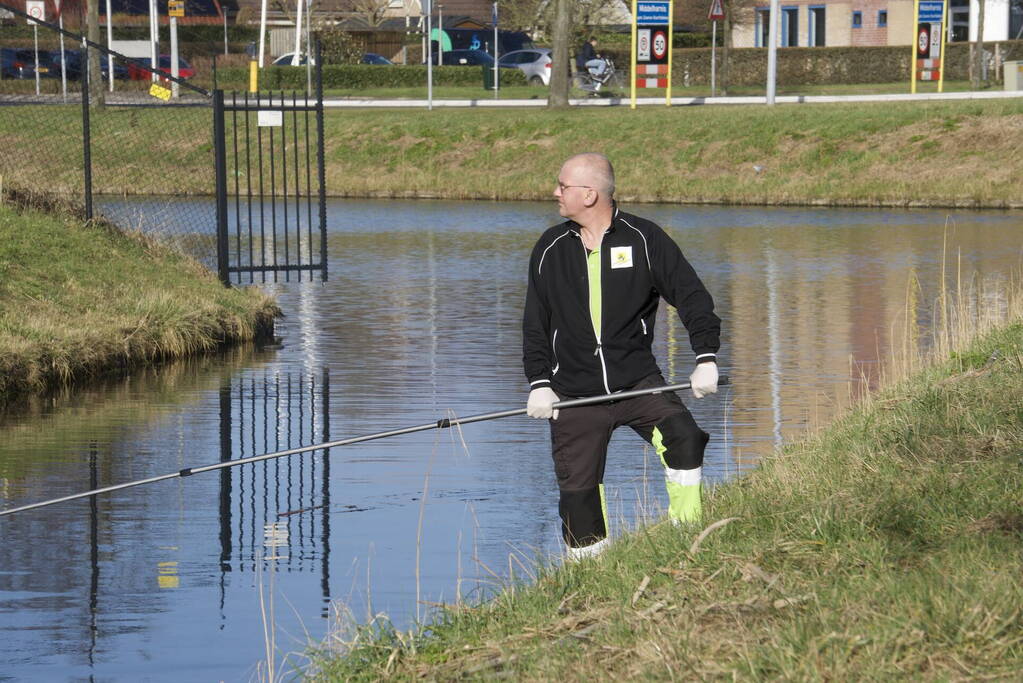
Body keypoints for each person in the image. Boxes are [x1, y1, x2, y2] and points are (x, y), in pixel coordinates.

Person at [522, 153, 721, 560]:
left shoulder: (645, 239)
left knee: (685, 439)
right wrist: (539, 382)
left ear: (590, 194)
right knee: (578, 499)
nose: (555, 193)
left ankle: (688, 537)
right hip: (573, 393)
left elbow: (693, 297)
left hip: (637, 383)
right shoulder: (550, 248)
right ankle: (591, 577)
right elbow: (534, 324)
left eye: (563, 186)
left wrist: (705, 356)